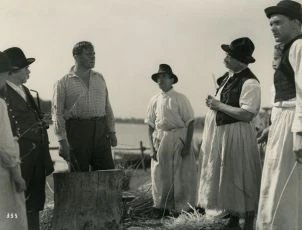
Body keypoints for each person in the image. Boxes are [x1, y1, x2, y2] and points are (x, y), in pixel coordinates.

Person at [198, 37, 261, 230]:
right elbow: (223, 102)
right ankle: (232, 217)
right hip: (222, 135)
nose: (225, 58)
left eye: (229, 55)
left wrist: (218, 105)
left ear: (240, 60)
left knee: (238, 176)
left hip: (236, 136)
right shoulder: (228, 77)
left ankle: (246, 222)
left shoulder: (250, 82)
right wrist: (213, 103)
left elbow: (247, 114)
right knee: (226, 176)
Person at [256, 1, 302, 229]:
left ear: (296, 23)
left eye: (278, 22)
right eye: (270, 24)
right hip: (283, 120)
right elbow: (281, 95)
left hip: (295, 120)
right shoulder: (288, 49)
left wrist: (299, 133)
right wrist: (272, 125)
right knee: (275, 181)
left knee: (286, 184)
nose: (273, 28)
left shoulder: (299, 47)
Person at [2, 47, 54, 230]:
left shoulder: (24, 90)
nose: (29, 71)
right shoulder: (3, 94)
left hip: (36, 159)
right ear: (13, 71)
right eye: (25, 68)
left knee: (34, 205)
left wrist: (40, 124)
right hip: (20, 159)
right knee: (14, 207)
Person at [52, 41, 117, 172]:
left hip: (101, 132)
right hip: (77, 132)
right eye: (88, 54)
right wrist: (61, 141)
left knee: (107, 174)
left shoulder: (99, 78)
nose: (93, 57)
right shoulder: (63, 82)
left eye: (94, 54)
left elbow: (107, 107)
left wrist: (112, 131)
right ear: (76, 56)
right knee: (78, 177)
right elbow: (57, 113)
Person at [146, 64, 198, 218]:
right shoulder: (154, 100)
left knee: (181, 174)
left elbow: (190, 122)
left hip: (179, 137)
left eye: (164, 76)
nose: (160, 80)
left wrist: (187, 146)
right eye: (158, 77)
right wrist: (151, 148)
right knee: (160, 174)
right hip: (160, 139)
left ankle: (183, 208)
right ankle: (161, 207)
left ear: (171, 79)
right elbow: (149, 125)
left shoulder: (180, 98)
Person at [0, 51, 27, 230]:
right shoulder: (0, 105)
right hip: (3, 173)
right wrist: (18, 177)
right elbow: (5, 145)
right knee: (11, 219)